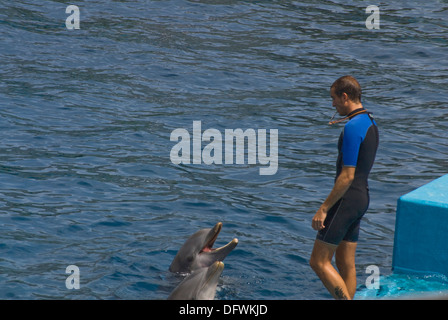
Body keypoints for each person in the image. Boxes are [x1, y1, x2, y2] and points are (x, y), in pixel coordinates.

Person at [309, 75, 379, 300]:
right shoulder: (370, 122)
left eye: (334, 98)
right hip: (361, 199)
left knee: (318, 261)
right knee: (345, 264)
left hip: (347, 200)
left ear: (345, 96)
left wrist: (324, 208)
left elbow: (347, 176)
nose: (332, 104)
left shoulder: (352, 126)